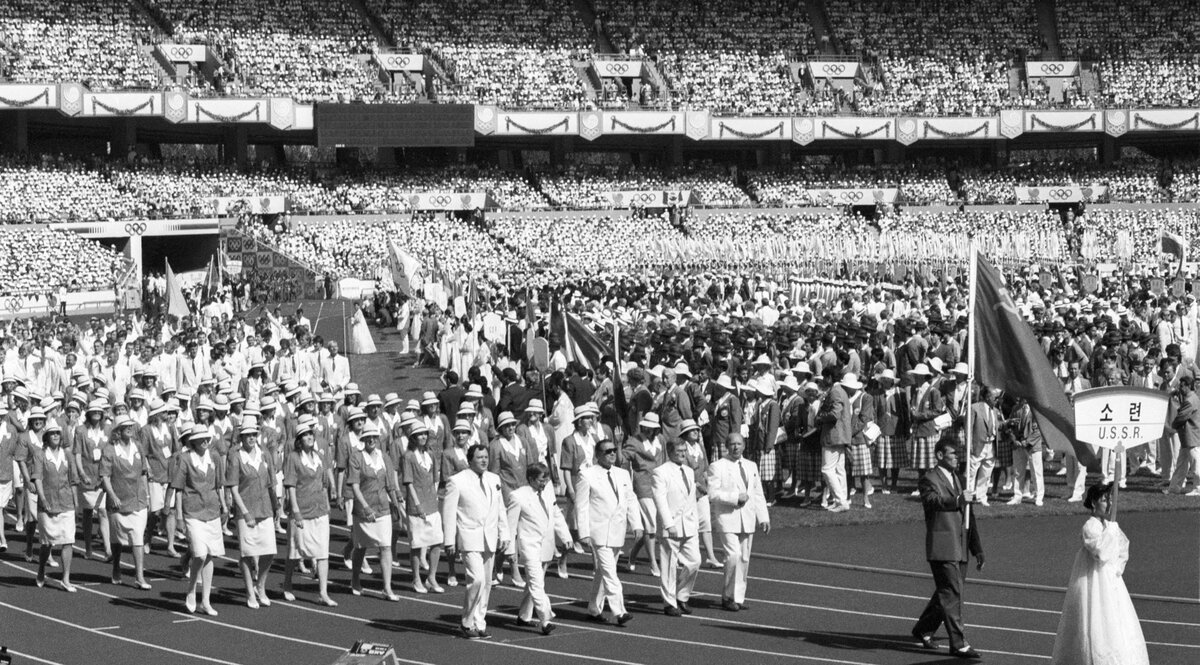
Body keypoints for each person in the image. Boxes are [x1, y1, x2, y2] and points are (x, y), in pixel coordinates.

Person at [1051, 482, 1149, 665]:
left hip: (1110, 579)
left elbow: (1122, 547)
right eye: (1105, 500)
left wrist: (1117, 567)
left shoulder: (1109, 525)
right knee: (1094, 617)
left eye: (1110, 499)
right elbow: (1100, 552)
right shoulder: (1090, 526)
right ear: (1094, 503)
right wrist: (1110, 531)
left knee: (1115, 619)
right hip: (1092, 581)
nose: (1109, 504)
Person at [911, 440, 984, 660]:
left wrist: (977, 548)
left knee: (947, 592)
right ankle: (958, 643)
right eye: (953, 454)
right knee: (953, 593)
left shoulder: (960, 479)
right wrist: (958, 500)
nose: (957, 457)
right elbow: (933, 501)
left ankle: (924, 628)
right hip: (942, 546)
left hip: (960, 546)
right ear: (940, 455)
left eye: (958, 454)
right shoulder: (928, 479)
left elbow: (968, 516)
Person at [442, 443, 510, 640]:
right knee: (477, 579)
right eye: (479, 457)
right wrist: (449, 541)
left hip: (489, 537)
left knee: (487, 583)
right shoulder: (457, 481)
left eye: (486, 457)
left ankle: (480, 622)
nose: (484, 460)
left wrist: (504, 534)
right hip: (469, 536)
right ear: (470, 460)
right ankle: (466, 621)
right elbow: (449, 513)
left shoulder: (493, 479)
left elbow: (500, 509)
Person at [575, 438, 639, 626]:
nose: (612, 454)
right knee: (611, 573)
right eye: (607, 451)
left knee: (602, 573)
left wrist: (637, 525)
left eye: (614, 450)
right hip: (599, 532)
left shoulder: (623, 474)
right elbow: (581, 506)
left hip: (617, 531)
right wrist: (584, 532)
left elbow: (630, 500)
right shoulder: (587, 475)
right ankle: (620, 611)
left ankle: (594, 609)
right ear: (598, 455)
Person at [707, 432, 771, 611]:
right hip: (728, 518)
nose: (736, 447)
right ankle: (727, 596)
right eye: (732, 444)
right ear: (727, 446)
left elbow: (758, 493)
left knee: (744, 558)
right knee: (733, 556)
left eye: (739, 444)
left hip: (747, 518)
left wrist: (763, 517)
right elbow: (713, 494)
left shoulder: (751, 466)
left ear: (744, 445)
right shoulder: (717, 466)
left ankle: (738, 597)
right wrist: (735, 497)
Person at [507, 462, 571, 635]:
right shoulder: (518, 496)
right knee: (537, 584)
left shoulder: (548, 493)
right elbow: (510, 526)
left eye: (546, 479)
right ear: (531, 479)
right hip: (529, 547)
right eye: (541, 480)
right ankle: (545, 620)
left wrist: (566, 537)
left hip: (546, 545)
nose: (544, 483)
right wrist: (510, 550)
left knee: (533, 583)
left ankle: (524, 616)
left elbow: (556, 515)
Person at [170, 424, 227, 615]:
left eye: (207, 438)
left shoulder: (215, 457)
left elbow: (219, 484)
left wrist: (225, 505)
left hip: (212, 510)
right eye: (201, 438)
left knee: (210, 555)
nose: (205, 441)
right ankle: (192, 589)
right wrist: (178, 515)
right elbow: (178, 489)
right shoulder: (185, 459)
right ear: (192, 441)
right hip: (192, 511)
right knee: (200, 554)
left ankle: (206, 600)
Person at [282, 422, 338, 607]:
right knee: (295, 551)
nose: (309, 437)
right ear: (299, 440)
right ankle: (288, 584)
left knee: (323, 552)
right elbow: (290, 485)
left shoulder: (320, 457)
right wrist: (295, 510)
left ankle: (323, 592)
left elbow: (323, 484)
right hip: (302, 511)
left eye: (311, 434)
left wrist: (327, 503)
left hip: (319, 509)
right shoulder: (293, 458)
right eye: (305, 435)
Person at [225, 422, 277, 609]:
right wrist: (245, 512)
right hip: (246, 511)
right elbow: (233, 487)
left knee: (269, 551)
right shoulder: (236, 457)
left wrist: (276, 505)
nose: (251, 437)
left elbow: (271, 483)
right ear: (241, 437)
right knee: (247, 554)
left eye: (253, 434)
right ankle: (250, 592)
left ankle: (260, 585)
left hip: (266, 509)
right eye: (247, 434)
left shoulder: (265, 454)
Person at [347, 422, 401, 600]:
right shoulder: (356, 457)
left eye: (374, 437)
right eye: (368, 437)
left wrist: (396, 506)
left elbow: (390, 486)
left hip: (383, 508)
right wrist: (366, 507)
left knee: (386, 547)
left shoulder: (385, 457)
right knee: (360, 547)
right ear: (363, 439)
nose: (371, 440)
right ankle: (355, 578)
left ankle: (387, 587)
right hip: (364, 510)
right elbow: (355, 486)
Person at [100, 415, 152, 590]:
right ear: (117, 430)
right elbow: (105, 477)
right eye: (125, 426)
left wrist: (147, 496)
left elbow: (144, 472)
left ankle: (139, 576)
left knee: (138, 536)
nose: (129, 428)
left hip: (138, 500)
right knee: (117, 539)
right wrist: (113, 495)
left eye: (131, 425)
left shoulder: (138, 446)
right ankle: (116, 567)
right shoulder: (109, 450)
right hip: (118, 501)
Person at [653, 438, 701, 617]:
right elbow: (660, 500)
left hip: (689, 524)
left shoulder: (688, 471)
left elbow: (691, 500)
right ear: (670, 451)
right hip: (671, 525)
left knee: (694, 561)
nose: (682, 453)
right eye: (679, 451)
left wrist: (696, 522)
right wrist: (668, 524)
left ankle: (682, 595)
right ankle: (669, 602)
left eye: (684, 450)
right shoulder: (660, 472)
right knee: (669, 565)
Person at [30, 422, 77, 592]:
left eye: (58, 433)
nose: (56, 436)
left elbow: (73, 480)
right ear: (46, 437)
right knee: (46, 544)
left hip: (66, 503)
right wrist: (42, 498)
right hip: (48, 504)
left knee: (68, 541)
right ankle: (41, 569)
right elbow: (38, 478)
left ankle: (65, 578)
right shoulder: (40, 455)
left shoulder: (67, 455)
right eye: (52, 433)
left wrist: (75, 501)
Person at [403, 422, 444, 594]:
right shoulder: (408, 456)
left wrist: (434, 497)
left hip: (431, 503)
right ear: (413, 438)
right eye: (419, 435)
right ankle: (416, 578)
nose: (423, 437)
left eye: (425, 434)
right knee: (417, 544)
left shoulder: (431, 454)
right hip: (416, 505)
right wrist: (417, 503)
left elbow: (435, 478)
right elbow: (409, 482)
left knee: (436, 542)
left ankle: (431, 577)